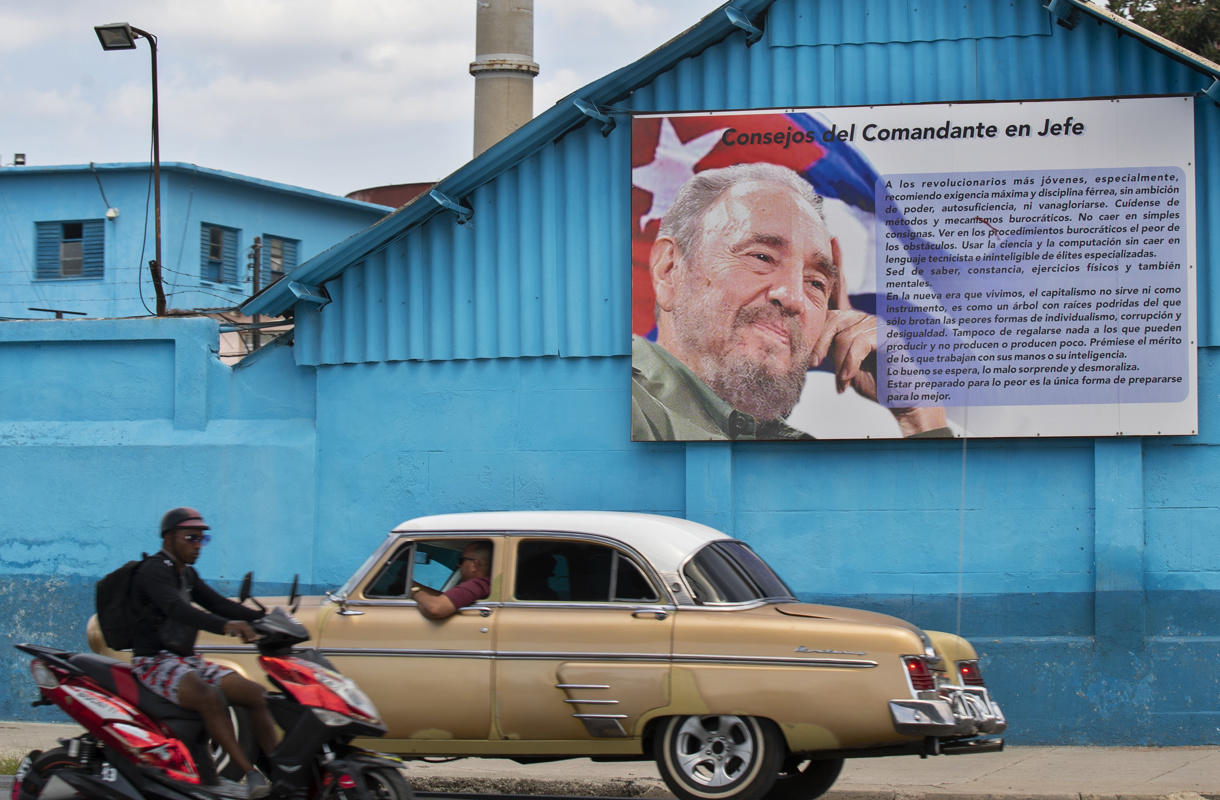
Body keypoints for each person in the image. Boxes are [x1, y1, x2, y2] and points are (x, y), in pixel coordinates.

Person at [632, 162, 948, 441]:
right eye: (761, 257)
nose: (794, 297)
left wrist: (920, 414)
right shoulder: (604, 402)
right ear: (669, 269)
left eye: (816, 283)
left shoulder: (810, 460)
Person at [130, 507, 278, 797]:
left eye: (203, 539)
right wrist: (228, 627)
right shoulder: (154, 571)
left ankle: (281, 771)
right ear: (169, 538)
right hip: (154, 661)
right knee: (210, 698)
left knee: (256, 694)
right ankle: (250, 774)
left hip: (186, 660)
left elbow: (219, 603)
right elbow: (178, 610)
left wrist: (265, 620)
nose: (198, 545)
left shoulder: (187, 574)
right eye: (191, 538)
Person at [411, 542, 491, 619]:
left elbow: (435, 608)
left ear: (475, 565)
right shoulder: (486, 585)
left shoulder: (477, 584)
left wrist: (414, 592)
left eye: (461, 560)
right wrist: (411, 585)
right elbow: (445, 598)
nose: (458, 565)